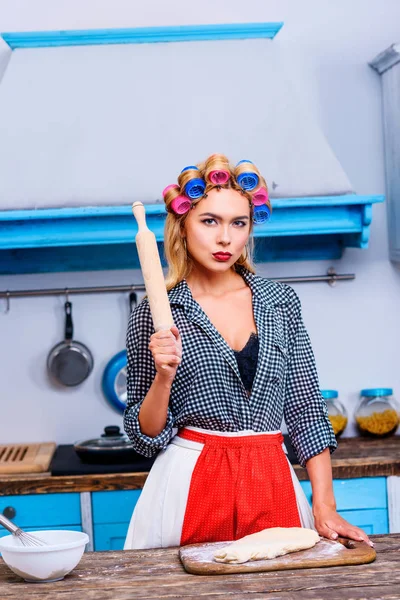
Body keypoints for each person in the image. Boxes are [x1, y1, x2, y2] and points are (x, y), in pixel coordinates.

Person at [123, 154, 373, 550]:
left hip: (272, 479)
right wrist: (164, 375)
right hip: (191, 483)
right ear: (183, 226)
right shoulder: (155, 314)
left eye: (238, 223)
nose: (225, 238)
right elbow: (145, 435)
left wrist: (324, 504)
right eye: (210, 221)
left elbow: (305, 407)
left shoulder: (280, 302)